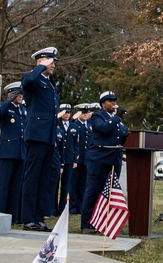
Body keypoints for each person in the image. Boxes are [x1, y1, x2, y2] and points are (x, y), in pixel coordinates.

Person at [21, 47, 60, 232]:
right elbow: (28, 82)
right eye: (49, 60)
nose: (53, 64)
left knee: (44, 179)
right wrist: (38, 68)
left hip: (48, 136)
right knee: (32, 177)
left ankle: (39, 217)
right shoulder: (32, 79)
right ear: (40, 61)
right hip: (36, 135)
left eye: (53, 61)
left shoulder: (51, 85)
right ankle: (28, 218)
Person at [81, 92, 129, 233]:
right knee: (93, 190)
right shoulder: (97, 116)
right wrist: (116, 117)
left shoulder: (116, 120)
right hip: (99, 158)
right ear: (102, 103)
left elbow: (122, 135)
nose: (113, 103)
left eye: (114, 101)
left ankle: (101, 222)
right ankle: (86, 223)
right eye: (110, 101)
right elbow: (103, 129)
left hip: (114, 158)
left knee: (109, 192)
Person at [0, 82, 26, 224]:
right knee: (4, 185)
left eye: (21, 93)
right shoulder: (6, 107)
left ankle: (13, 217)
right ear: (11, 93)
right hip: (7, 152)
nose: (20, 96)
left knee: (16, 187)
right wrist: (8, 101)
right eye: (17, 93)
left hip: (20, 153)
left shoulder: (23, 110)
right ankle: (2, 214)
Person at [69, 103, 93, 214]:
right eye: (82, 112)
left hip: (86, 159)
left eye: (86, 113)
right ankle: (72, 207)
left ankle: (80, 206)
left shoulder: (89, 125)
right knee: (74, 184)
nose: (85, 115)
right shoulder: (75, 124)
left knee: (83, 185)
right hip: (77, 159)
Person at [55, 103, 77, 212]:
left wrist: (75, 160)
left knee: (66, 185)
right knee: (55, 184)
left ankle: (62, 208)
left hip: (69, 158)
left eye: (69, 112)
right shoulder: (56, 125)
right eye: (65, 112)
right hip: (58, 157)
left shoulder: (74, 126)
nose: (67, 114)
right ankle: (53, 207)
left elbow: (76, 145)